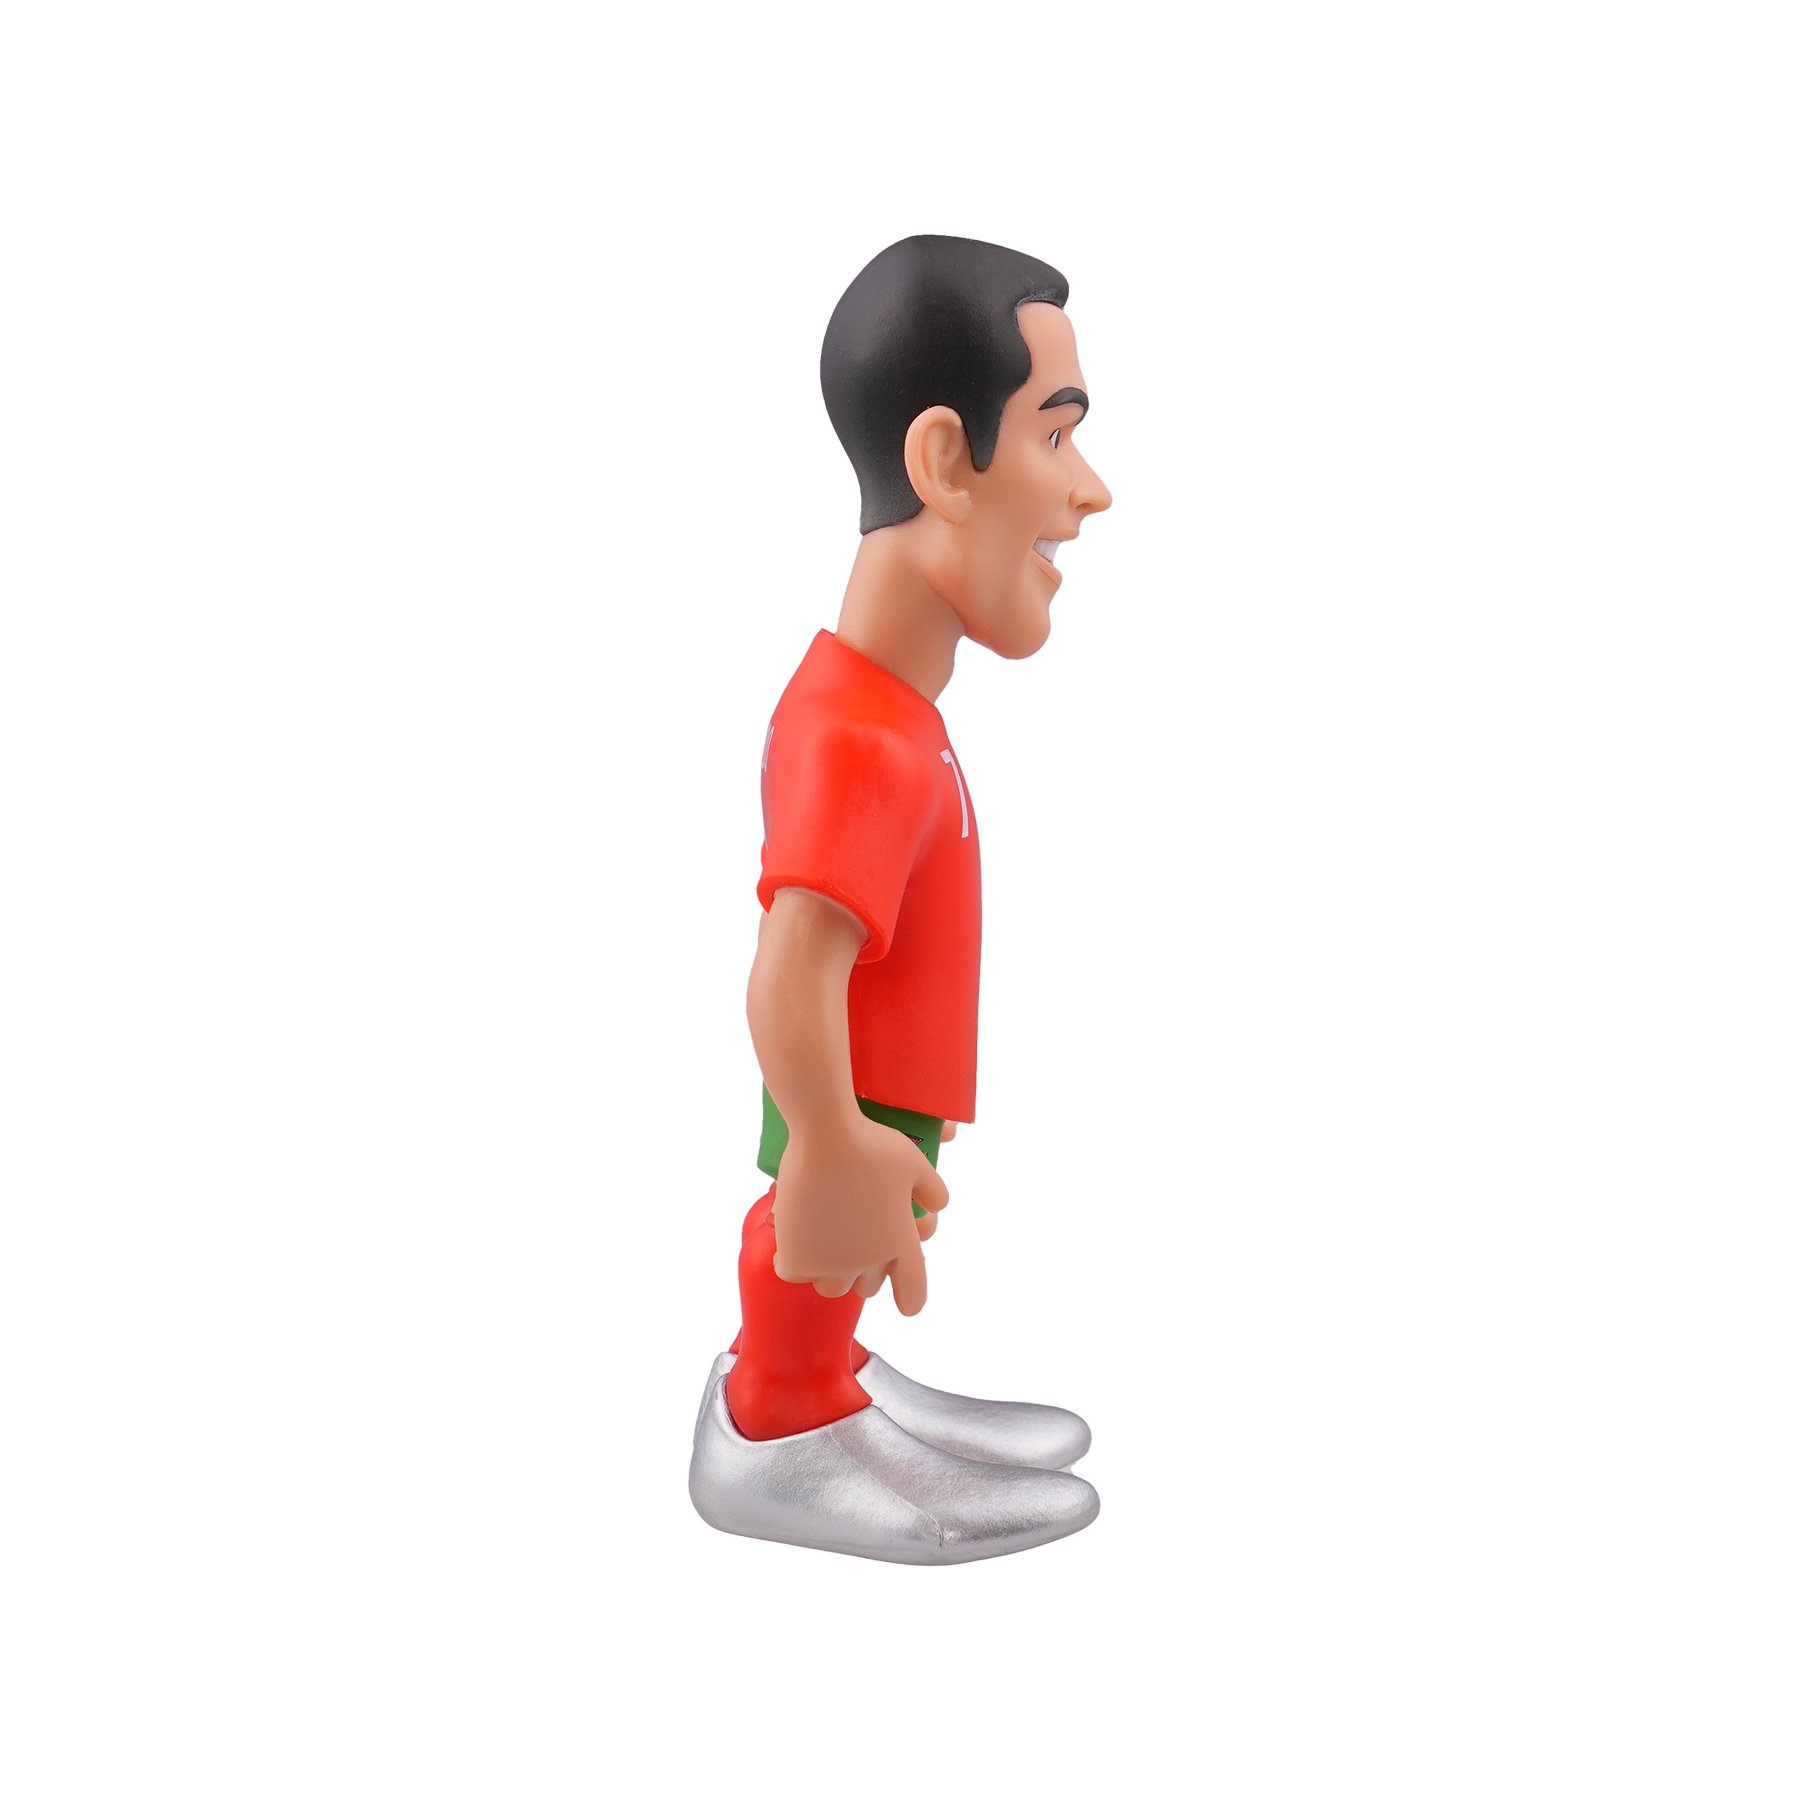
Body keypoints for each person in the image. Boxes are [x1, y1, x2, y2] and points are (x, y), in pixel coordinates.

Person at [688, 236, 1113, 1563]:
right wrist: (826, 1135)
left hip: (881, 1084)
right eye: (1056, 434)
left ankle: (827, 1377)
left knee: (862, 1234)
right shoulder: (860, 736)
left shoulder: (885, 713)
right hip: (855, 1087)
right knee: (816, 1229)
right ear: (943, 462)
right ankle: (778, 1421)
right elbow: (790, 966)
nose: (1091, 491)